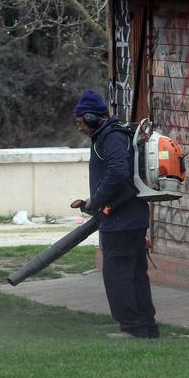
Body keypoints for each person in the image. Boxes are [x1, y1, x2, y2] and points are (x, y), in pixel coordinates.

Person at [70, 89, 159, 339]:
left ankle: (132, 327)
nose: (79, 127)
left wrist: (96, 200)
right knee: (135, 276)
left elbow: (118, 173)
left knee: (117, 276)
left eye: (80, 122)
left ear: (91, 117)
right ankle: (147, 327)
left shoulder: (111, 138)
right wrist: (91, 202)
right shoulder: (113, 135)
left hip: (120, 222)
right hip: (130, 219)